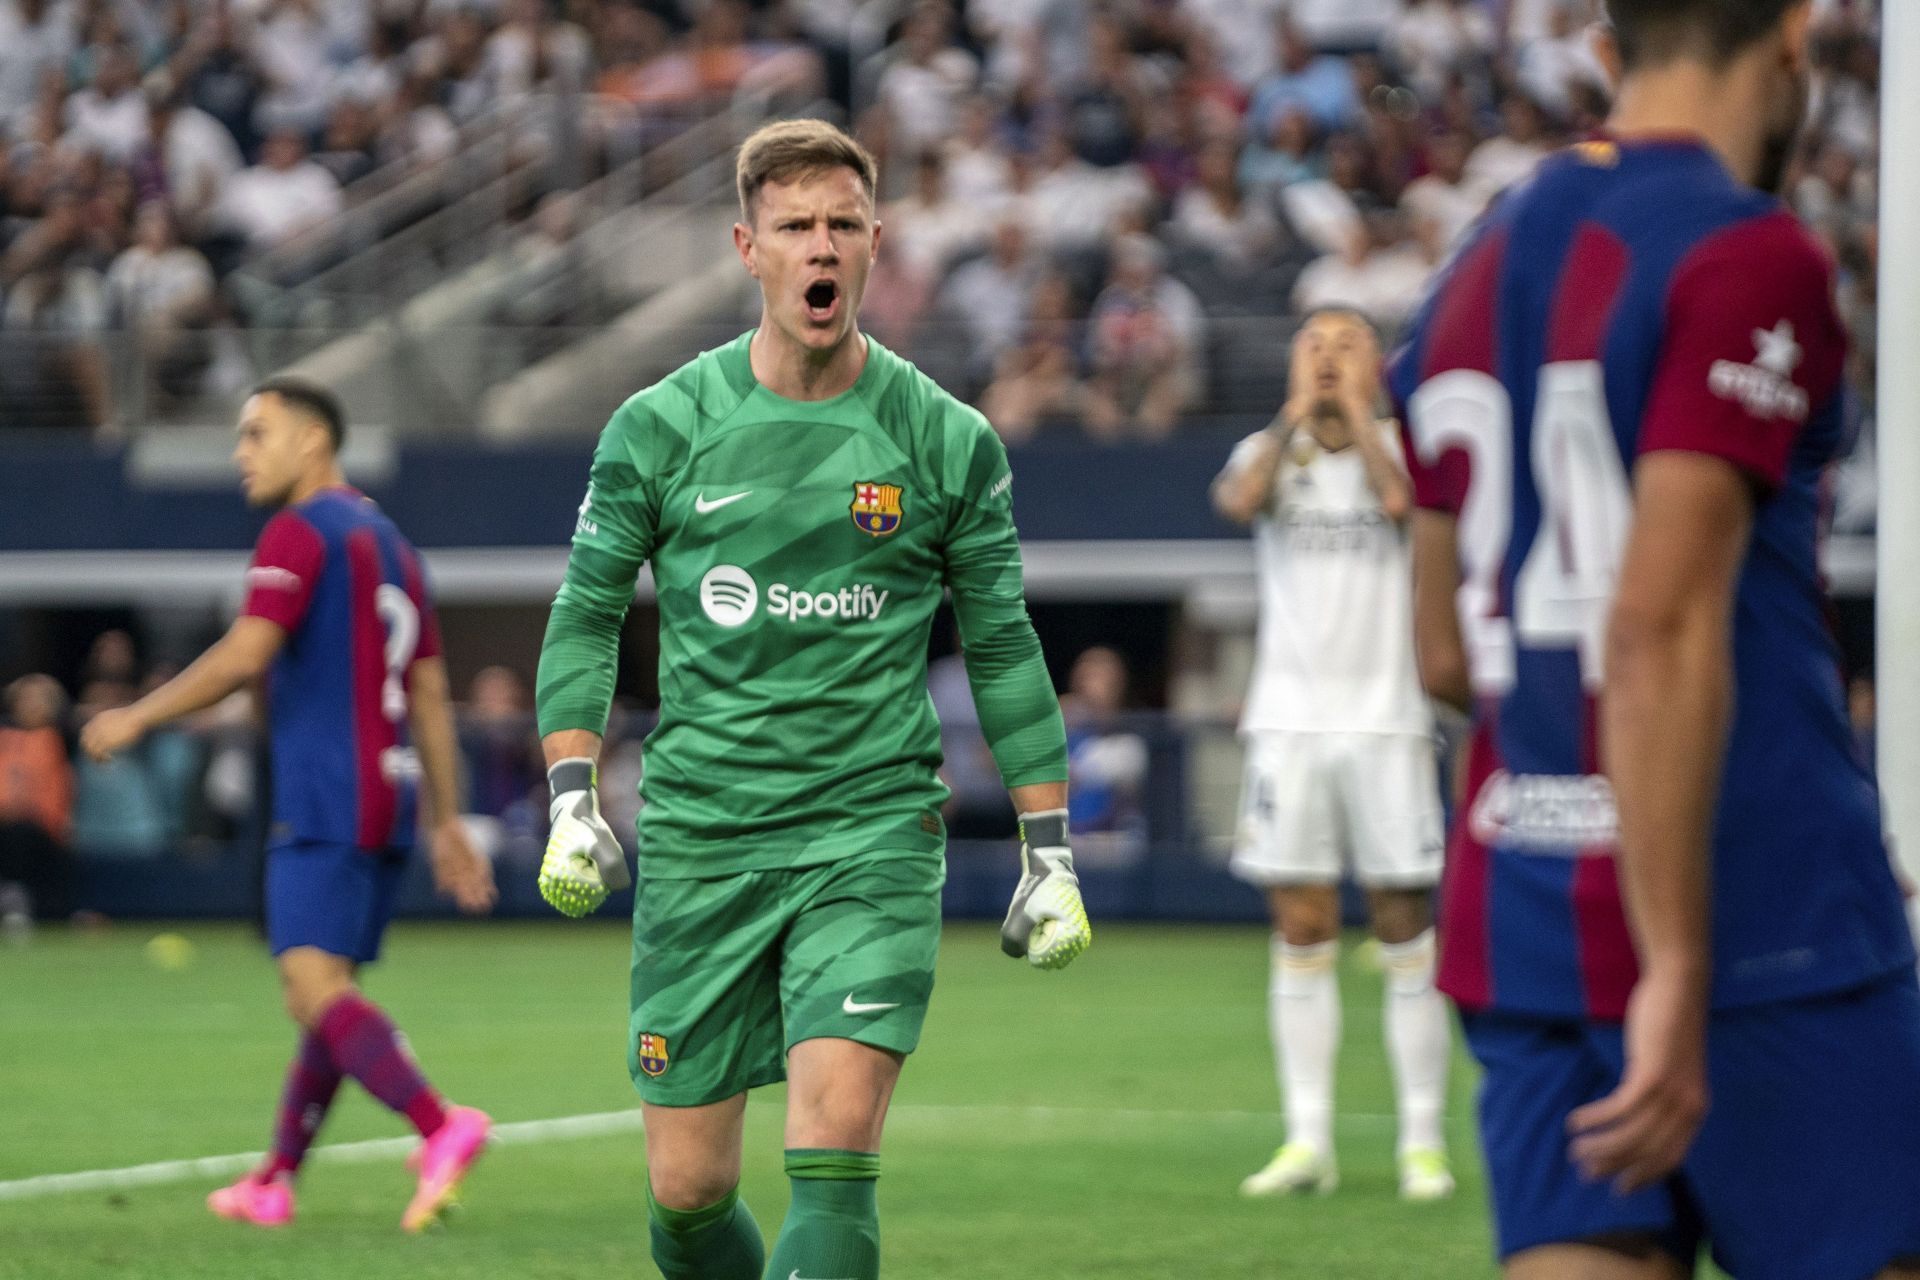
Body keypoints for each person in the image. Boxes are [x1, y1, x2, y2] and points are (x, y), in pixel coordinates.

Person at [1387, 2, 1920, 1275]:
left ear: (1612, 50)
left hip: (1523, 912)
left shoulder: (1475, 258)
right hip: (1759, 914)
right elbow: (1659, 626)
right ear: (1794, 38)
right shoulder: (1750, 252)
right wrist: (1670, 963)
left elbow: (1444, 652)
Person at [532, 118, 1091, 1280]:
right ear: (750, 246)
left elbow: (1001, 641)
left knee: (833, 1136)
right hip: (700, 838)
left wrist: (1051, 847)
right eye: (795, 227)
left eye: (842, 225)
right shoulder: (659, 427)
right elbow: (587, 613)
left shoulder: (947, 440)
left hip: (870, 834)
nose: (819, 247)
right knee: (690, 1196)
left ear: (876, 244)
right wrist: (571, 792)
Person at [81, 376, 498, 1233]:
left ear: (313, 442)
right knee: (324, 994)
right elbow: (427, 689)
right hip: (387, 794)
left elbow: (246, 653)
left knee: (313, 988)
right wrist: (446, 819)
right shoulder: (392, 543)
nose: (242, 454)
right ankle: (274, 1179)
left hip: (323, 794)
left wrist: (135, 715)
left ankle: (439, 1124)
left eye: (256, 435)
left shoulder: (299, 531)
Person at [1211, 307, 1454, 1204]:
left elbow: (1402, 508)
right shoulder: (1264, 451)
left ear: (1377, 364)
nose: (1326, 356)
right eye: (1313, 343)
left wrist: (1362, 414)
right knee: (1302, 927)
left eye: (1346, 344)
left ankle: (1421, 1142)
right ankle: (1307, 1140)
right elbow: (1240, 501)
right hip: (1289, 722)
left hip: (1388, 720)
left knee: (1404, 928)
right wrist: (1291, 419)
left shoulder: (1405, 452)